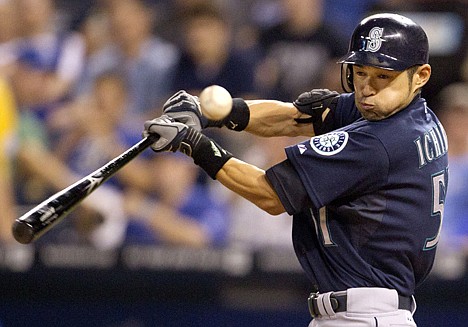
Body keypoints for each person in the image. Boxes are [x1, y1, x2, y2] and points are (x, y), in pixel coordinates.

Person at [142, 13, 448, 326]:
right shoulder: (412, 117)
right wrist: (214, 114)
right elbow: (295, 117)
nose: (366, 88)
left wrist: (196, 145)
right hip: (363, 311)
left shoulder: (379, 142)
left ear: (421, 75)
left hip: (363, 315)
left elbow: (270, 194)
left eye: (383, 76)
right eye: (360, 72)